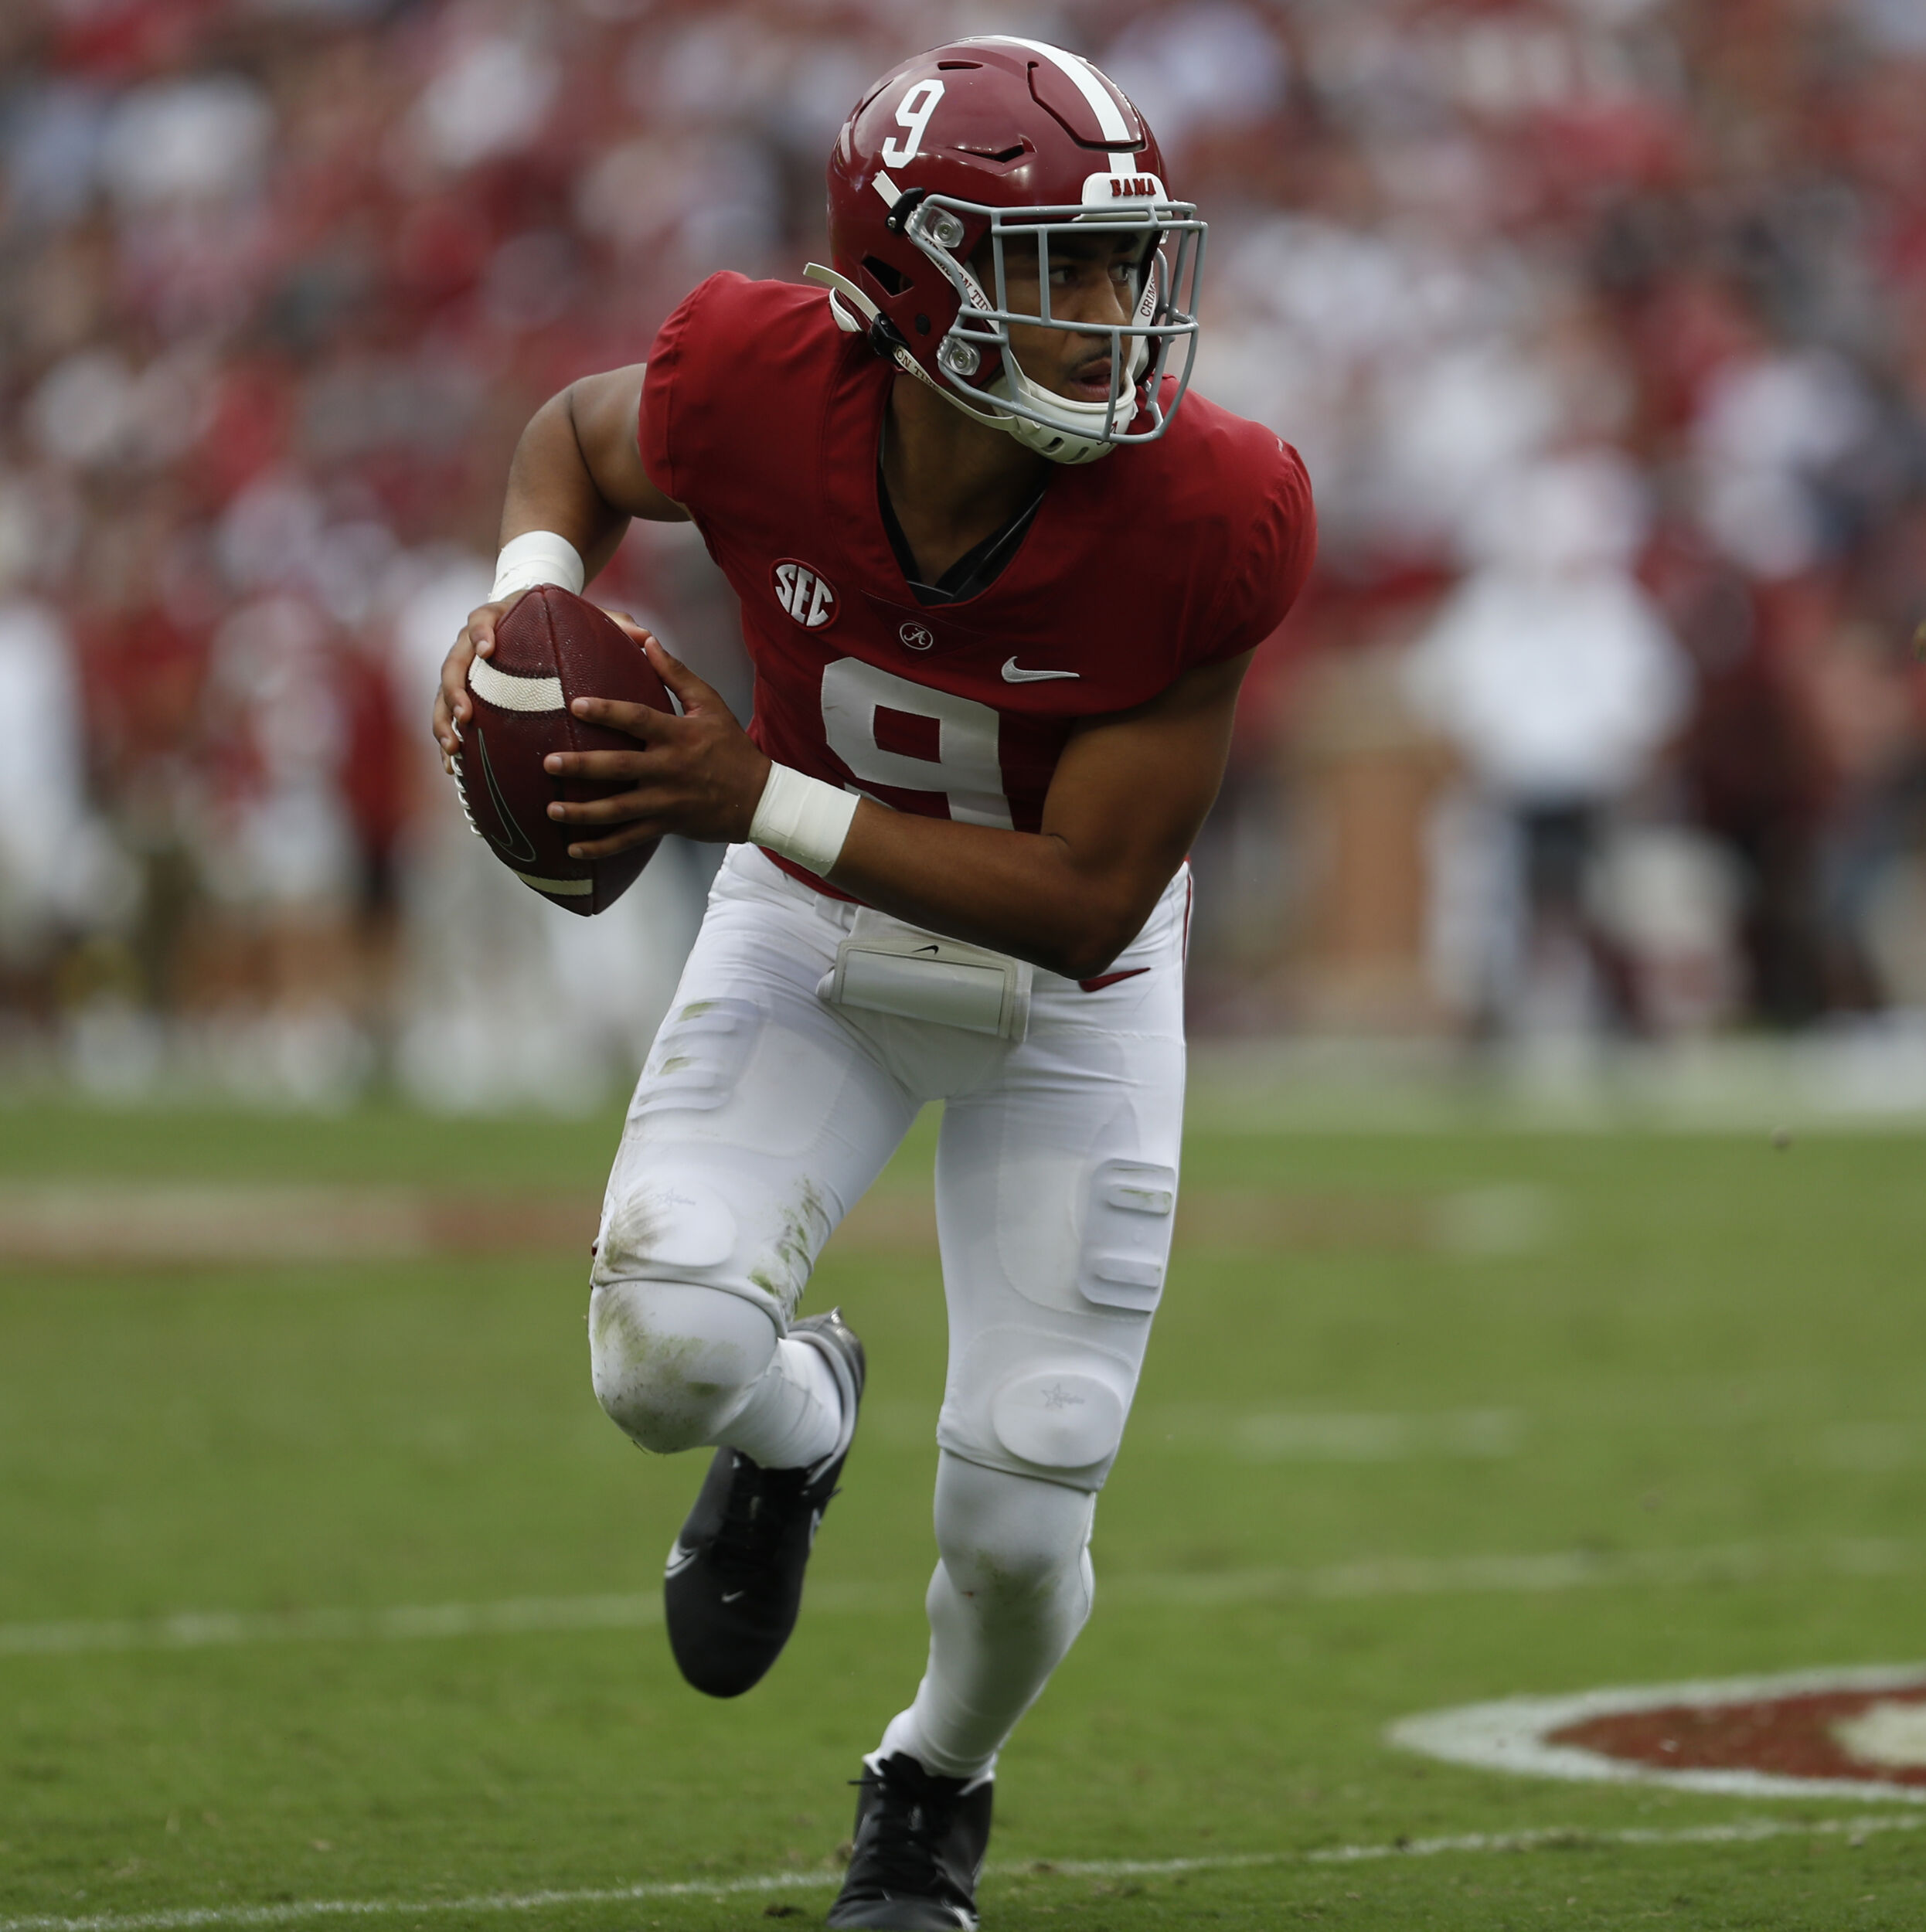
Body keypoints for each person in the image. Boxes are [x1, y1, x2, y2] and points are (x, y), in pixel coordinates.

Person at [432, 38, 1312, 1930]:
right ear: (911, 287)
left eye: (1126, 261)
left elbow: (1085, 902)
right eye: (1060, 270)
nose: (1116, 314)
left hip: (1065, 996)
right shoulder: (762, 380)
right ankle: (796, 1424)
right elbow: (576, 439)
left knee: (1026, 1490)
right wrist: (521, 599)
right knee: (663, 1353)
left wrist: (749, 788)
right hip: (809, 935)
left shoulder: (1212, 506)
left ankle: (928, 1785)